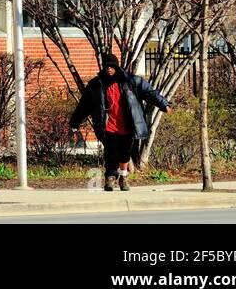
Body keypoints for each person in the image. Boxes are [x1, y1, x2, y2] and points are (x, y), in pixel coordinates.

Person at [69, 52, 170, 191]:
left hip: (128, 124)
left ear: (116, 67)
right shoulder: (96, 84)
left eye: (112, 66)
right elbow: (84, 104)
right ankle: (110, 178)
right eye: (106, 67)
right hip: (108, 125)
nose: (109, 69)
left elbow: (149, 92)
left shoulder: (130, 81)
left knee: (125, 154)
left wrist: (163, 104)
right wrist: (75, 121)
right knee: (111, 153)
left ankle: (123, 177)